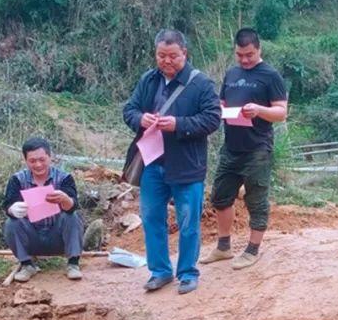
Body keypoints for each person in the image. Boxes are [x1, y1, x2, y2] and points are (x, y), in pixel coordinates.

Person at [122, 29, 221, 294]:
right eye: (161, 55)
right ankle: (160, 271)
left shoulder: (200, 84)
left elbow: (212, 119)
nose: (166, 61)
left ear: (184, 54)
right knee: (152, 218)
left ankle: (188, 272)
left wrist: (178, 124)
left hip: (187, 164)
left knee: (188, 221)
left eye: (173, 56)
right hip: (152, 163)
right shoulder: (148, 80)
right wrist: (139, 119)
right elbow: (129, 110)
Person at [200, 28, 289, 270]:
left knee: (256, 200)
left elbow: (281, 112)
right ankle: (223, 246)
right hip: (231, 147)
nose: (245, 59)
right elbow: (222, 102)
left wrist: (259, 110)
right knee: (220, 196)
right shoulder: (231, 73)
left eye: (249, 54)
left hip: (258, 149)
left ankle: (252, 249)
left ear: (258, 49)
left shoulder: (271, 76)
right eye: (240, 55)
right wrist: (218, 110)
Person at [2, 137, 83, 282]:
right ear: (25, 161)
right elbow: (8, 205)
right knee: (11, 223)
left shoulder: (65, 178)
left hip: (57, 237)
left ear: (50, 157)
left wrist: (66, 200)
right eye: (32, 161)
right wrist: (12, 209)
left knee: (72, 217)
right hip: (31, 237)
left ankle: (73, 264)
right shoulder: (17, 180)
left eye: (42, 159)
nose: (38, 165)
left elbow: (73, 206)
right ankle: (27, 264)